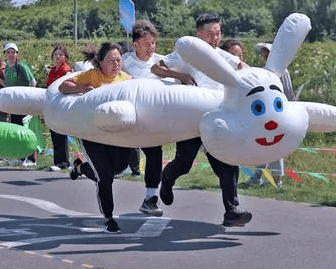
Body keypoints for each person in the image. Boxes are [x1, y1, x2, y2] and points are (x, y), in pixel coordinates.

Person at [152, 13, 252, 227]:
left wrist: (241, 75)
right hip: (191, 120)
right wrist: (180, 76)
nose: (215, 38)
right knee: (184, 164)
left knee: (227, 164)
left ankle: (231, 211)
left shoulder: (221, 56)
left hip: (216, 120)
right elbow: (156, 68)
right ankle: (167, 179)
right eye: (210, 34)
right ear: (199, 34)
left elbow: (242, 66)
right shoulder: (186, 53)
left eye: (218, 33)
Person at [61, 42, 132, 233]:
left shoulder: (126, 79)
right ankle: (109, 218)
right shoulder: (92, 76)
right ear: (100, 62)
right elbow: (64, 86)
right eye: (111, 61)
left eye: (119, 60)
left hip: (117, 135)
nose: (116, 64)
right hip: (93, 134)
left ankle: (81, 167)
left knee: (119, 168)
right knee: (105, 176)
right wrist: (84, 88)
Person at [121, 20, 167, 216]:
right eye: (146, 43)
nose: (150, 47)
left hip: (150, 121)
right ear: (135, 44)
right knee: (116, 164)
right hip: (126, 121)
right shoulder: (124, 61)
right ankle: (81, 168)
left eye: (153, 43)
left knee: (155, 155)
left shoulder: (162, 61)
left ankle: (150, 198)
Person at [245, 42, 295, 186]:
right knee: (262, 145)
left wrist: (289, 109)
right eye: (263, 53)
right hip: (263, 114)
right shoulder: (263, 71)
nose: (264, 55)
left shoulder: (281, 71)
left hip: (278, 113)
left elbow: (287, 91)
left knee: (276, 146)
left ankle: (277, 180)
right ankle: (257, 176)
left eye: (267, 53)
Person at [3, 41, 38, 166]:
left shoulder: (22, 66)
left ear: (17, 54)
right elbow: (8, 85)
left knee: (26, 130)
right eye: (8, 52)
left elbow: (33, 82)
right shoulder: (7, 67)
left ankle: (31, 158)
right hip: (13, 105)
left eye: (13, 52)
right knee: (16, 130)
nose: (11, 55)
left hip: (23, 104)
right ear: (5, 54)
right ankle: (20, 156)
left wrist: (29, 98)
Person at [45, 44, 72, 172]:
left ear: (65, 57)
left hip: (61, 106)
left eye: (60, 54)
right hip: (52, 106)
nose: (57, 56)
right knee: (54, 134)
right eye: (55, 54)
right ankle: (58, 161)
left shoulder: (66, 70)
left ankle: (63, 162)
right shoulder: (52, 70)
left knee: (61, 134)